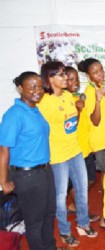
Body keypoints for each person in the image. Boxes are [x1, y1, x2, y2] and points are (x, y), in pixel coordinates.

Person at [39, 61, 97, 247]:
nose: (65, 78)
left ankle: (83, 223)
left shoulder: (67, 96)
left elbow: (72, 121)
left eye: (65, 74)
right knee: (60, 196)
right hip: (57, 156)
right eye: (61, 75)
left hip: (75, 150)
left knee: (82, 190)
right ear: (49, 78)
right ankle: (64, 231)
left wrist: (79, 110)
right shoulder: (44, 102)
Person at [0, 72, 56, 250]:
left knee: (49, 214)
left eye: (40, 86)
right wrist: (3, 180)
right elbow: (3, 149)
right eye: (32, 86)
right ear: (20, 88)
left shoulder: (34, 109)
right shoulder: (14, 115)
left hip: (44, 171)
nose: (37, 91)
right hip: (27, 175)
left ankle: (50, 247)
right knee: (34, 222)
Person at [65, 66, 99, 221]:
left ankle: (73, 201)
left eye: (76, 79)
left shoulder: (79, 97)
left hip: (86, 147)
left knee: (90, 179)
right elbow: (70, 126)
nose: (75, 82)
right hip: (74, 150)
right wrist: (77, 110)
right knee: (80, 183)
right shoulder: (65, 101)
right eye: (71, 79)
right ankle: (79, 209)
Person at [78, 58, 105, 181]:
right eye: (95, 72)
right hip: (99, 141)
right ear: (89, 76)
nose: (100, 73)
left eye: (101, 70)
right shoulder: (90, 92)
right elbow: (95, 120)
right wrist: (98, 101)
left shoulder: (100, 87)